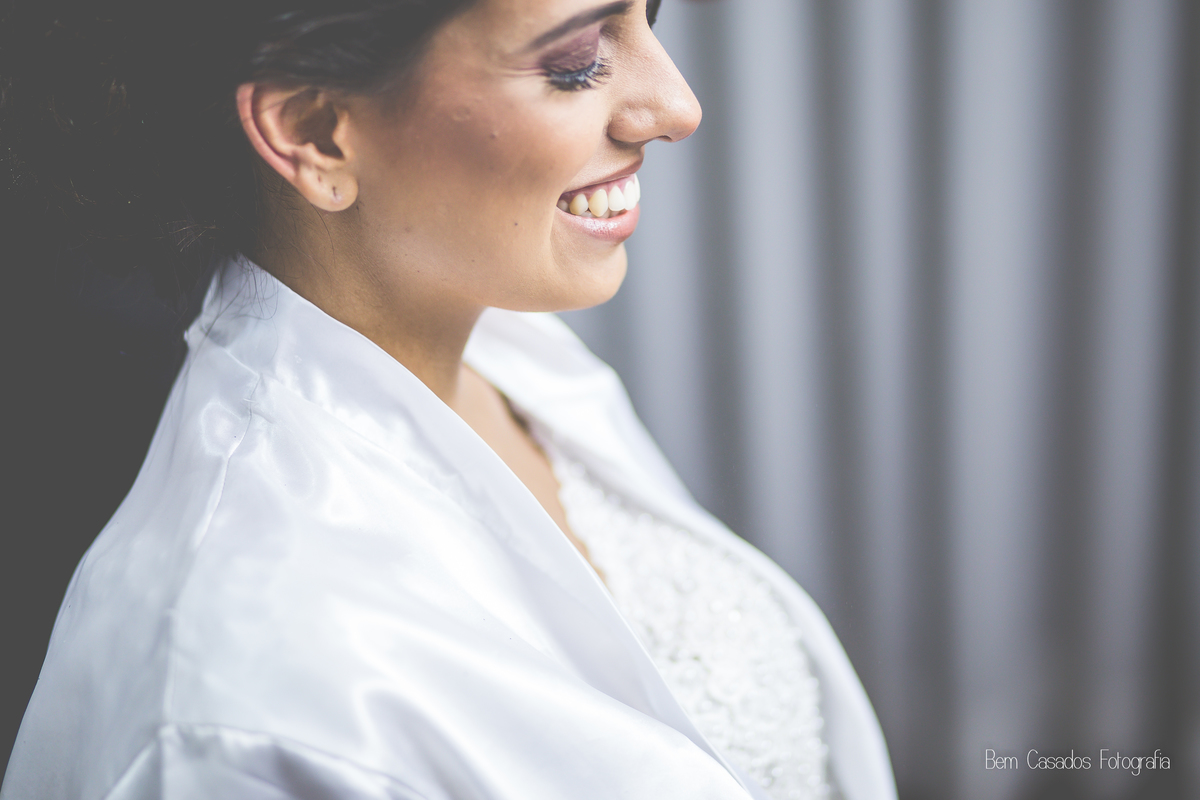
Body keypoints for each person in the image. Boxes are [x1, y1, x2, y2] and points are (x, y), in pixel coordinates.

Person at [0, 1, 896, 798]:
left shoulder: (506, 345)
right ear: (314, 131)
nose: (678, 106)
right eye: (577, 58)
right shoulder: (241, 714)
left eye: (648, 17)